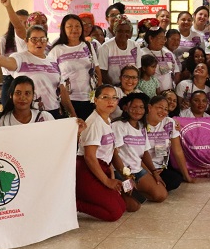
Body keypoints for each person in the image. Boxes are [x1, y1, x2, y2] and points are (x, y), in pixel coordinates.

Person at [0, 25, 76, 119]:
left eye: (42, 39)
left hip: (54, 111)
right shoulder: (20, 58)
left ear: (47, 41)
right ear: (26, 41)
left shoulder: (52, 61)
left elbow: (62, 91)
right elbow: (7, 61)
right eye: (34, 39)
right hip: (30, 114)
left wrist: (72, 114)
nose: (39, 43)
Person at [77, 84, 137, 221]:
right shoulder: (94, 123)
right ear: (95, 100)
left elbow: (108, 153)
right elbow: (89, 157)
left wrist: (111, 174)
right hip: (87, 170)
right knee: (113, 214)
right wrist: (106, 181)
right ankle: (75, 203)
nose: (110, 101)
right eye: (105, 97)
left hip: (101, 167)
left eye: (114, 98)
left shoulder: (107, 120)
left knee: (122, 206)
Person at [112, 92, 168, 203]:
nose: (138, 110)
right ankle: (122, 191)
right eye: (134, 107)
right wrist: (126, 176)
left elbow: (145, 152)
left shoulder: (142, 126)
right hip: (121, 172)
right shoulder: (118, 125)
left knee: (161, 195)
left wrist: (154, 172)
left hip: (138, 170)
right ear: (126, 108)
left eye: (141, 107)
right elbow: (115, 155)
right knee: (134, 206)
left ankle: (135, 191)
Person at [48, 13, 99, 120]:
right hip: (68, 100)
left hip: (89, 99)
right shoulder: (56, 50)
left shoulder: (88, 46)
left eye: (77, 26)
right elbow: (53, 79)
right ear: (63, 29)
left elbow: (97, 71)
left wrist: (98, 97)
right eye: (69, 26)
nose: (74, 29)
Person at [145, 94, 194, 190]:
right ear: (149, 107)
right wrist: (151, 170)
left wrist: (187, 176)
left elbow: (177, 150)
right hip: (143, 167)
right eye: (160, 107)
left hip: (160, 167)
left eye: (166, 109)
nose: (163, 112)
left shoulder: (169, 122)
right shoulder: (140, 123)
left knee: (175, 180)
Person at [0, 0, 29, 104]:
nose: (22, 25)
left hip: (24, 78)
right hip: (9, 80)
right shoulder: (5, 39)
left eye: (26, 22)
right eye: (19, 21)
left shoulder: (28, 40)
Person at [98, 16, 140, 86]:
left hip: (131, 86)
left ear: (131, 33)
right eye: (120, 31)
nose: (123, 34)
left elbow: (138, 69)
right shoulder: (105, 47)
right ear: (114, 32)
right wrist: (115, 89)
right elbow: (102, 72)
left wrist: (132, 85)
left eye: (127, 31)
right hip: (113, 86)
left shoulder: (135, 46)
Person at [141, 26, 179, 93]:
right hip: (150, 93)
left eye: (164, 38)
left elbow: (176, 72)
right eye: (160, 38)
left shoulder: (168, 53)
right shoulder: (142, 53)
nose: (163, 41)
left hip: (169, 93)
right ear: (151, 38)